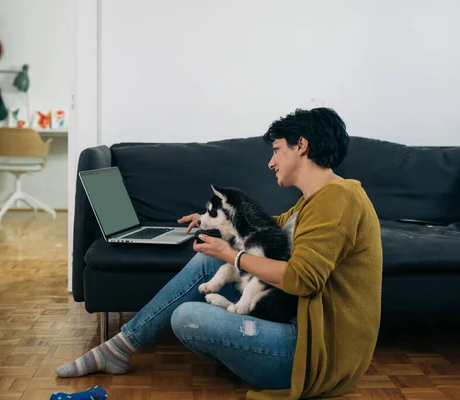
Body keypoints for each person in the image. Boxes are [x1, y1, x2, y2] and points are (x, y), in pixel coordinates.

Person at [56, 107, 383, 399]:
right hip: (293, 327)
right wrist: (211, 221)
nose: (271, 162)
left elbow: (302, 280)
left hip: (310, 355)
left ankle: (130, 348)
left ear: (301, 146)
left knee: (186, 317)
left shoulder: (338, 200)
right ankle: (120, 347)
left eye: (277, 150)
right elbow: (262, 229)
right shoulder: (315, 200)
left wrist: (233, 256)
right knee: (209, 258)